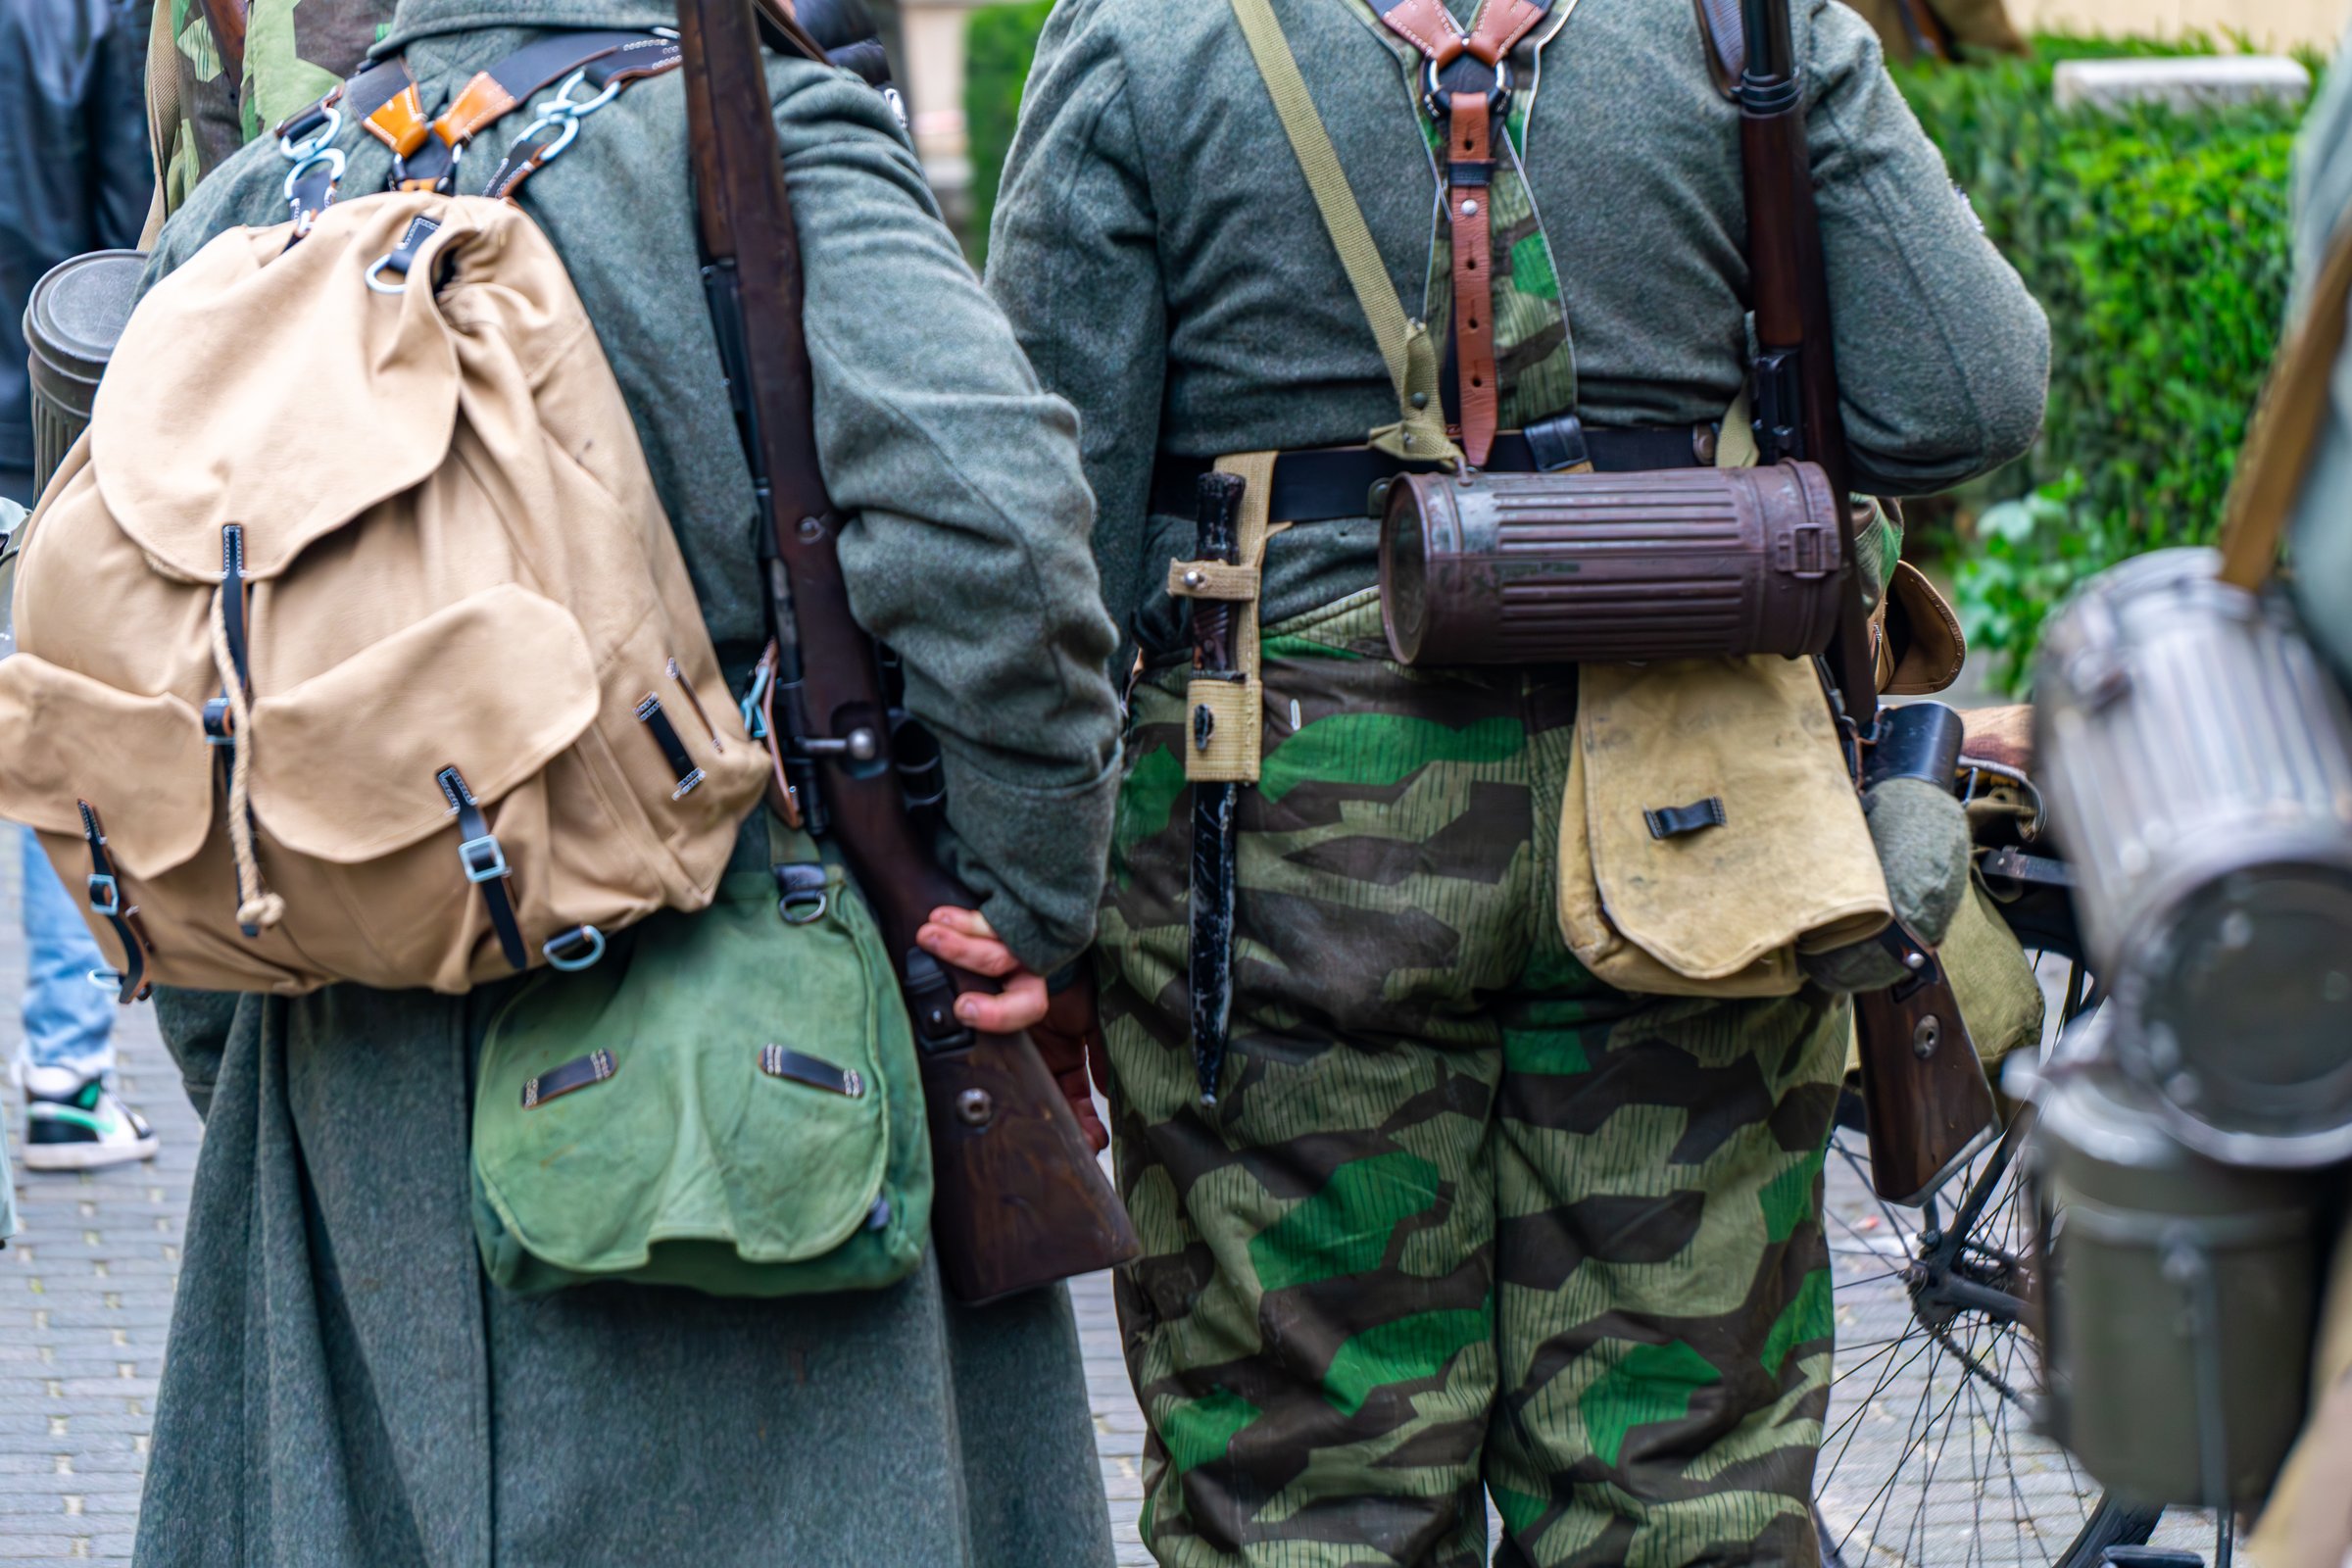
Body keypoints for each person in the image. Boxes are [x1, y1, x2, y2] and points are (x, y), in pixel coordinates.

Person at [988, 0, 2047, 1561]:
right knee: (1682, 1490)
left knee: (1308, 1492)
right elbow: (1969, 391)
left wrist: (1033, 897)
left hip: (1277, 841)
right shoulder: (1741, 20)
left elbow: (1043, 524)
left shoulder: (1149, 33)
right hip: (1700, 827)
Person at [122, 2, 1124, 1562]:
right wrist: (1022, 901)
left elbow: (152, 711)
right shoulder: (760, 140)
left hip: (350, 1079)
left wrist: (249, 1060)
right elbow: (994, 528)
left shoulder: (249, 206)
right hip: (761, 1027)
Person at [1, 0, 163, 1173]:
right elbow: (124, 262)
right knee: (59, 748)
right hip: (44, 440)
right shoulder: (100, 14)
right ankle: (64, 1077)